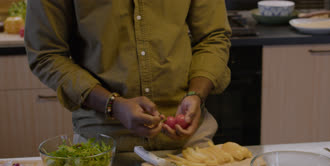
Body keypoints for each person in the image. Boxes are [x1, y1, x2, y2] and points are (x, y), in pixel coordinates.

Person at [24, 1, 232, 151]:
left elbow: (212, 37)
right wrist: (112, 104)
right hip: (103, 148)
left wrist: (196, 94)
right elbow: (46, 54)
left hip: (189, 143)